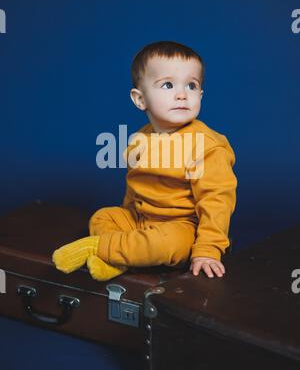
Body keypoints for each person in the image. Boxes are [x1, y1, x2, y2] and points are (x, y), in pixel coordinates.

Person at [52, 40, 237, 281]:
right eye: (168, 84)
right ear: (140, 99)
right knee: (103, 217)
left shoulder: (207, 146)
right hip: (142, 220)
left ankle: (98, 248)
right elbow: (136, 187)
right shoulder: (140, 138)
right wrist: (127, 220)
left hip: (182, 226)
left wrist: (208, 249)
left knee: (167, 243)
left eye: (192, 86)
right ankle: (120, 258)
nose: (182, 94)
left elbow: (217, 202)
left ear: (201, 94)